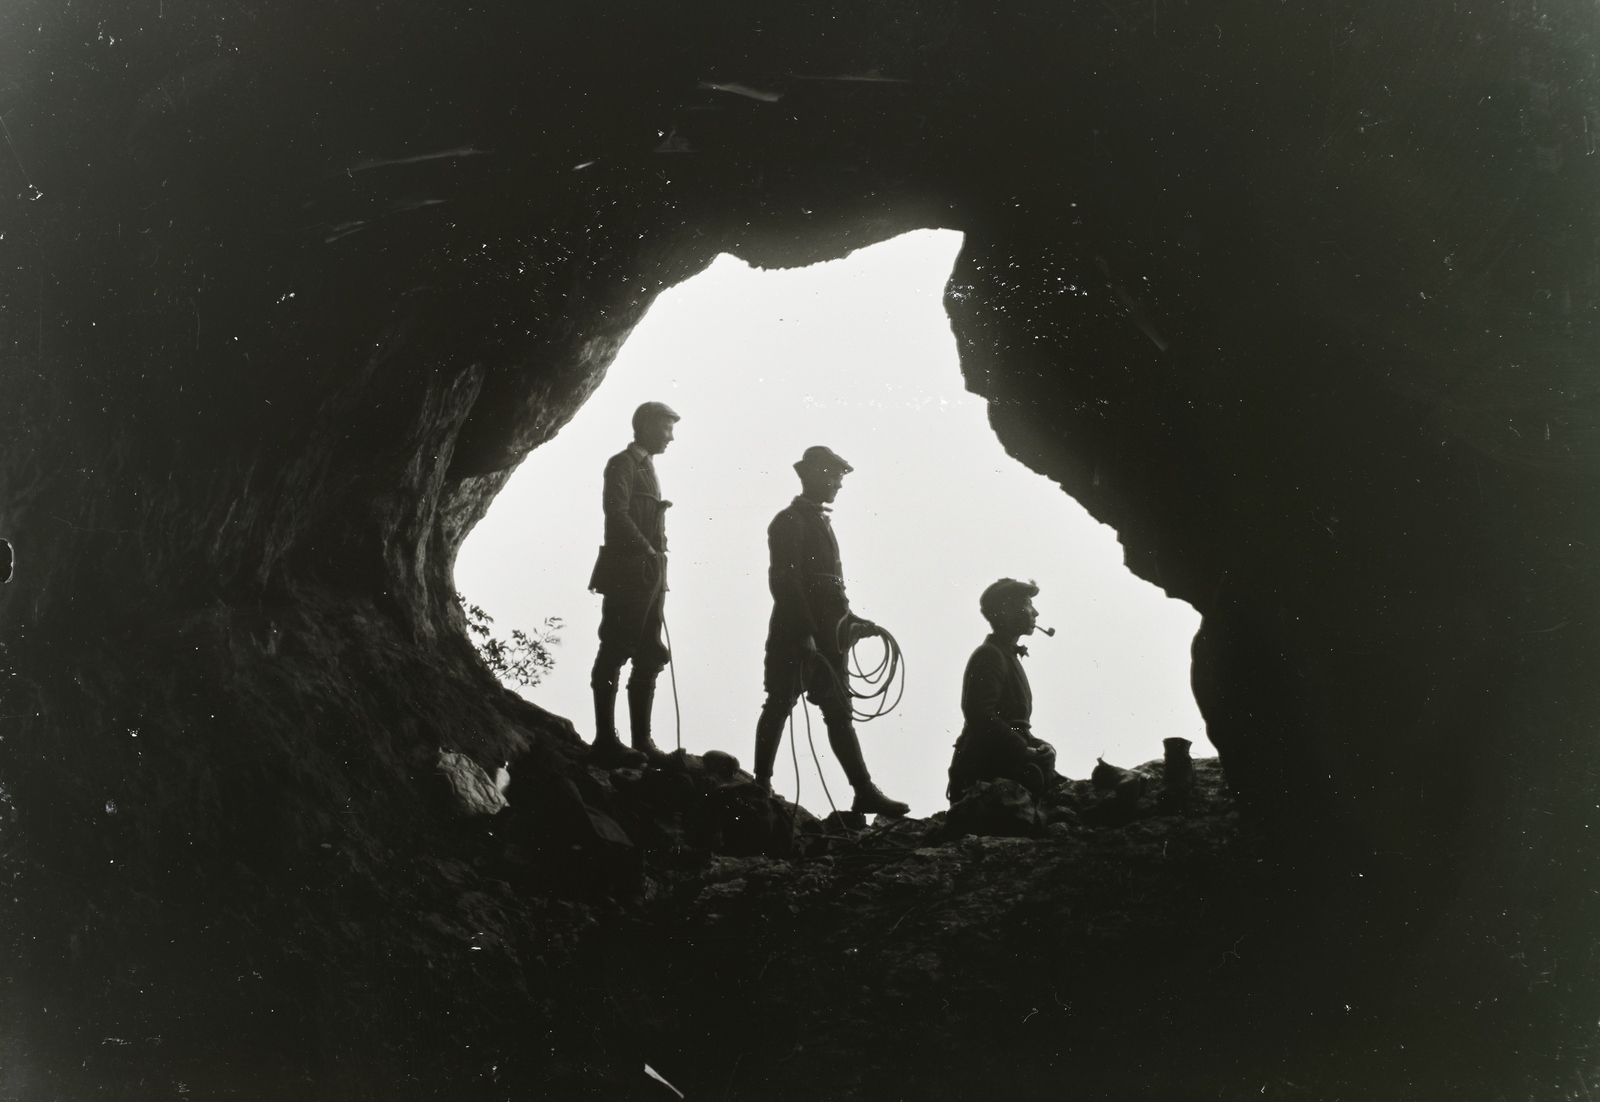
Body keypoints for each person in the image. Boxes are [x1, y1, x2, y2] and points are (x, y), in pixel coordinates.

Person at [750, 446, 909, 817]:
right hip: (797, 635)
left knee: (838, 713)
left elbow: (830, 590)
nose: (839, 484)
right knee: (779, 704)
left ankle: (863, 791)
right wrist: (805, 634)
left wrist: (852, 621)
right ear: (813, 475)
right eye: (834, 476)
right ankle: (761, 784)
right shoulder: (789, 520)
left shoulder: (818, 521)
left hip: (827, 637)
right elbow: (784, 582)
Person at [587, 401, 680, 766]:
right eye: (666, 428)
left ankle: (641, 742)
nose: (671, 436)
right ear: (643, 426)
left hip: (649, 576)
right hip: (629, 573)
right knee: (615, 648)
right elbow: (617, 514)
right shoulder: (623, 464)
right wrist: (647, 551)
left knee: (650, 652)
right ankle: (606, 741)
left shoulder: (646, 468)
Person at [946, 578, 1059, 803]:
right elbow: (980, 717)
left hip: (1003, 767)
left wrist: (1039, 746)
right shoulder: (990, 655)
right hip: (985, 777)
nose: (1035, 612)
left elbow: (1012, 724)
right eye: (1028, 604)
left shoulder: (1003, 654)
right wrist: (1025, 750)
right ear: (1007, 612)